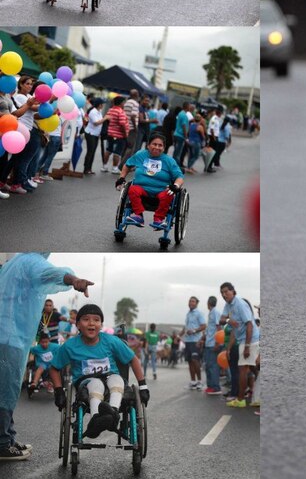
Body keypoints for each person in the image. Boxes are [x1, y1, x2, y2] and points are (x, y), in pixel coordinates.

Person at [0, 253, 93, 461]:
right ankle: (3, 443)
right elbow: (54, 274)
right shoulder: (32, 261)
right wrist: (74, 280)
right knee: (6, 391)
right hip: (10, 337)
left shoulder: (12, 263)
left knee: (6, 390)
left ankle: (8, 437)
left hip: (7, 333)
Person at [50, 304, 149, 439]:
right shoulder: (70, 346)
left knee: (117, 379)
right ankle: (97, 418)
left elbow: (133, 360)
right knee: (96, 383)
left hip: (110, 379)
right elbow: (54, 368)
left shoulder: (111, 341)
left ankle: (111, 414)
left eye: (96, 320)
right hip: (86, 382)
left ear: (101, 325)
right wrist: (59, 391)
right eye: (86, 319)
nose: (91, 323)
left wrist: (143, 387)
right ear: (78, 324)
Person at [114, 132, 184, 228]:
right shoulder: (140, 155)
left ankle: (158, 219)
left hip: (161, 190)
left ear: (164, 148)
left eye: (160, 145)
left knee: (169, 194)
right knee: (132, 189)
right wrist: (121, 178)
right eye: (154, 144)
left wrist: (176, 186)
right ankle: (138, 216)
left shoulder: (169, 160)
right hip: (142, 189)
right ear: (148, 145)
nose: (157, 147)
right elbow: (127, 165)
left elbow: (179, 176)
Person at [218, 282, 258, 409]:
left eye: (226, 292)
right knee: (254, 369)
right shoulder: (228, 305)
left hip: (250, 340)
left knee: (242, 370)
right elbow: (223, 321)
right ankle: (257, 394)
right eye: (222, 293)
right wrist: (229, 347)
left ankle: (241, 399)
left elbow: (249, 325)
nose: (224, 295)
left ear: (233, 291)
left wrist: (246, 346)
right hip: (242, 340)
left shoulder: (240, 304)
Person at [181, 297, 206, 391]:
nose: (191, 303)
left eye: (193, 301)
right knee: (190, 361)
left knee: (195, 361)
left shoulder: (199, 313)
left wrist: (195, 330)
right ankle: (193, 381)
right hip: (187, 341)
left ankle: (199, 381)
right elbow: (186, 327)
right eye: (190, 301)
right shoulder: (188, 314)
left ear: (196, 303)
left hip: (196, 341)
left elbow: (204, 326)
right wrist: (180, 336)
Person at [201, 296, 222, 395]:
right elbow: (210, 329)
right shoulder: (211, 313)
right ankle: (210, 386)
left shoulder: (215, 312)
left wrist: (217, 343)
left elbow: (219, 328)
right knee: (208, 366)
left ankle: (215, 387)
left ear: (208, 303)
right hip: (208, 343)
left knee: (213, 366)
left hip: (213, 344)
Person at [104, 96, 129, 173]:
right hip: (119, 135)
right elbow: (122, 124)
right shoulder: (120, 112)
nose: (124, 104)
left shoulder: (110, 110)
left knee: (108, 150)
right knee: (117, 152)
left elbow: (107, 121)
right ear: (121, 103)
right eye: (124, 102)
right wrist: (125, 134)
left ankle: (104, 166)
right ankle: (115, 168)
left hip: (110, 134)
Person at [83, 97, 107, 174]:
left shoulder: (99, 111)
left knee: (93, 151)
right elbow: (96, 123)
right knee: (90, 151)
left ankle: (89, 168)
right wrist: (105, 118)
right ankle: (86, 168)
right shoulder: (93, 112)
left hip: (95, 134)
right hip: (90, 133)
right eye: (102, 104)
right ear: (99, 105)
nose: (103, 105)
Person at [173, 102, 191, 167]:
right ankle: (175, 167)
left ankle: (174, 166)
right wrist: (186, 137)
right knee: (178, 153)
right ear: (187, 106)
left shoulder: (181, 114)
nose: (190, 107)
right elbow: (184, 126)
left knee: (176, 152)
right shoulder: (183, 115)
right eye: (189, 106)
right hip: (180, 135)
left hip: (177, 134)